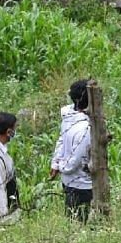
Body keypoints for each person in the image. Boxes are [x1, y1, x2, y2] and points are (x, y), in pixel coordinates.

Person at [51, 79, 93, 223]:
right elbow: (77, 157)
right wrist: (62, 167)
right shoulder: (86, 127)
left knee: (72, 220)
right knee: (79, 223)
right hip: (82, 183)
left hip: (69, 181)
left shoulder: (68, 117)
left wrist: (56, 164)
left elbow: (61, 141)